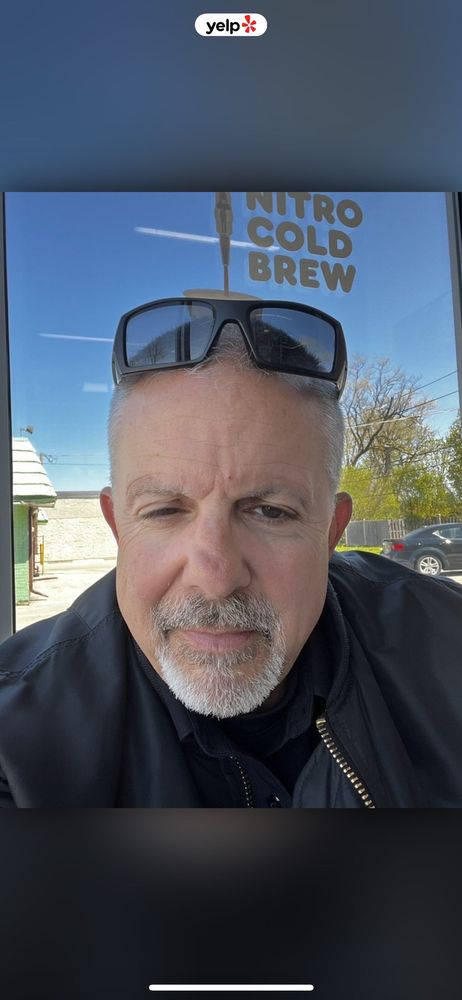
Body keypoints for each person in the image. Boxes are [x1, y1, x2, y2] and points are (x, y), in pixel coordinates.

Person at [1, 297, 462, 808]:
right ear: (117, 526)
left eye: (270, 512)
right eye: (164, 511)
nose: (216, 578)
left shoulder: (448, 646)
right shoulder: (15, 745)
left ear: (331, 532)